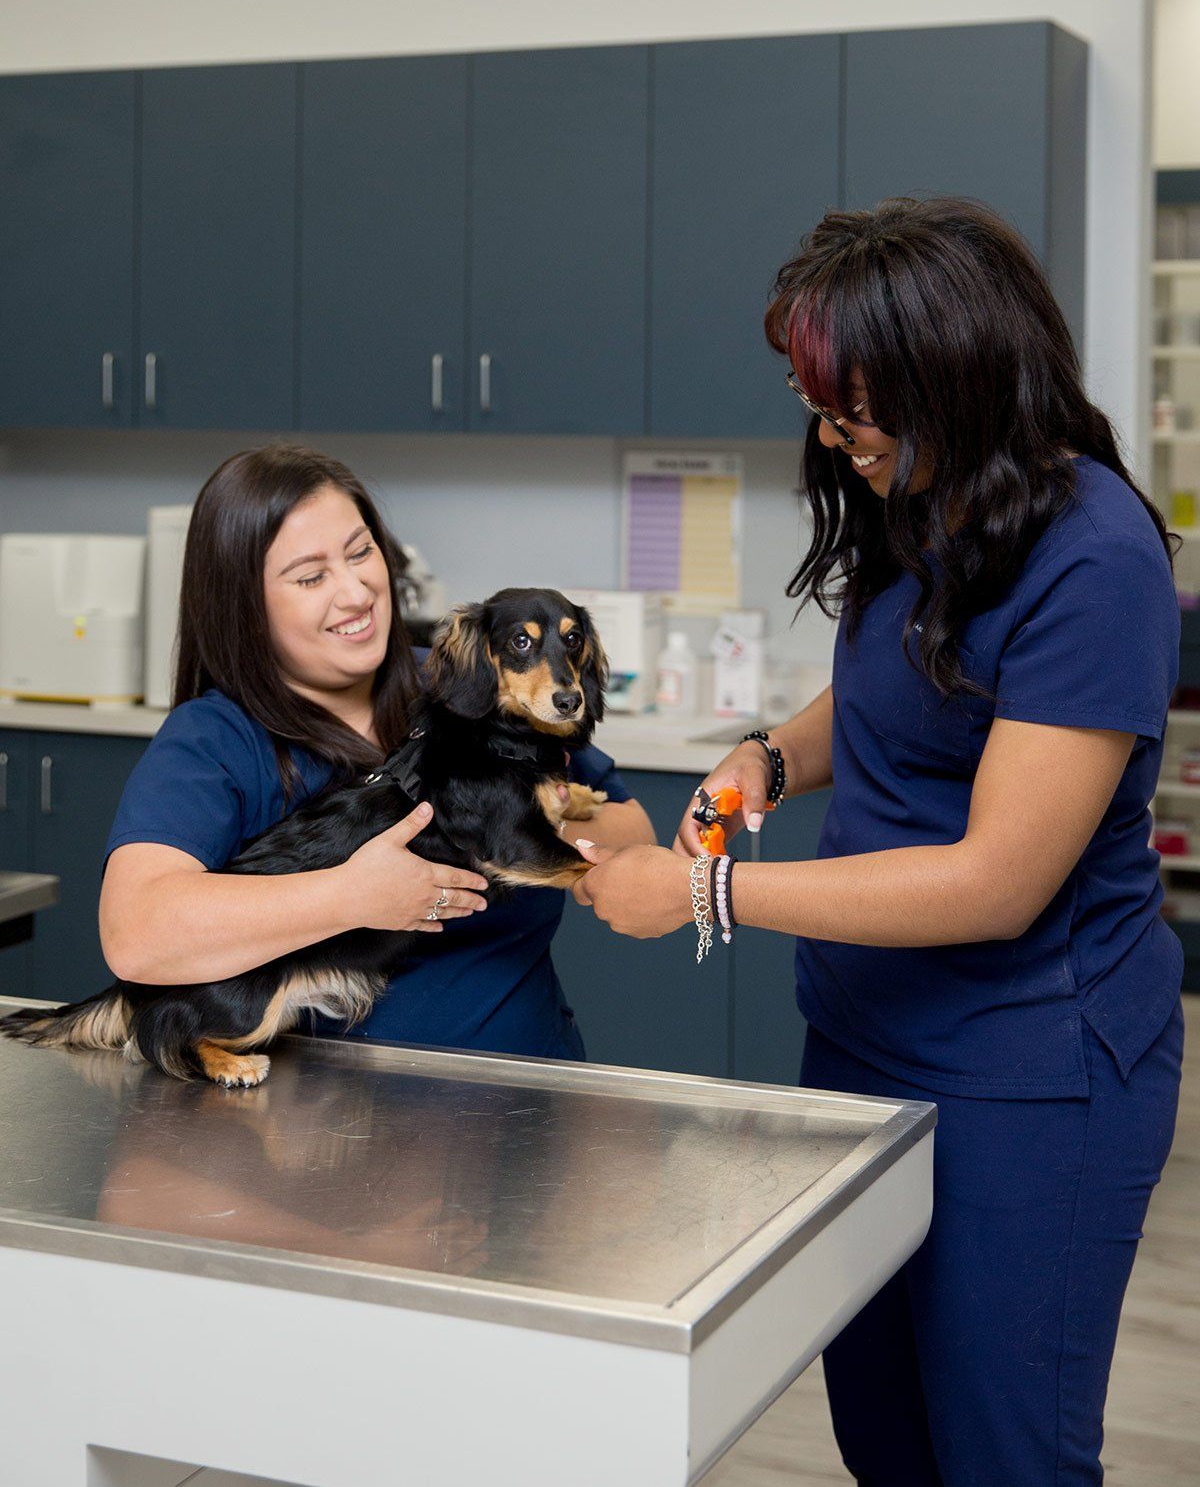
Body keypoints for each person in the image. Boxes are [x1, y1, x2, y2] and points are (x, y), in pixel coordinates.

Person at [572, 196, 1184, 1484]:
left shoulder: (1097, 557)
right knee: (886, 1438)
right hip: (863, 1045)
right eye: (817, 400)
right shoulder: (933, 501)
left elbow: (997, 881)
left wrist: (707, 891)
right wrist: (766, 759)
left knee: (1003, 1455)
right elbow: (900, 691)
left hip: (1031, 1074)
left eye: (857, 405)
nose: (833, 434)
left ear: (960, 376)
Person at [100, 444, 652, 1060]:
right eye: (311, 576)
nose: (357, 591)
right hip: (338, 1122)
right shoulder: (214, 740)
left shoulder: (467, 687)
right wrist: (350, 895)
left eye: (362, 553)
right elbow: (136, 934)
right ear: (246, 607)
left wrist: (526, 818)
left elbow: (635, 832)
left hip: (535, 1089)